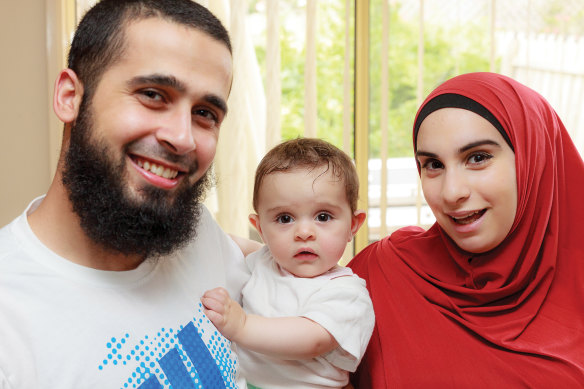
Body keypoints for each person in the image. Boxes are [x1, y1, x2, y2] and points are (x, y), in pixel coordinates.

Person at [0, 1, 251, 388]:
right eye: (153, 94)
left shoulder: (202, 235)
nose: (183, 138)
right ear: (70, 97)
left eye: (205, 113)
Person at [348, 72, 584, 387]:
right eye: (433, 164)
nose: (451, 192)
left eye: (477, 158)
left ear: (533, 158)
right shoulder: (379, 275)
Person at [202, 138, 375, 389]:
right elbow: (233, 245)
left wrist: (242, 326)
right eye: (284, 218)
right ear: (260, 228)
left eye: (323, 216)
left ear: (353, 226)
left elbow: (312, 339)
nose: (304, 232)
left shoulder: (347, 293)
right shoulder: (264, 261)